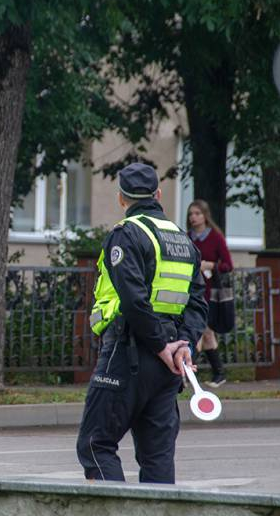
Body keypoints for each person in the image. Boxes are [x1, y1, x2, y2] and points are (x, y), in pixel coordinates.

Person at [76, 163, 208, 484]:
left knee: (95, 445)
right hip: (168, 367)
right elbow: (198, 303)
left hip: (127, 355)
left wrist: (163, 346)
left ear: (122, 199)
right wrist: (183, 345)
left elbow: (134, 300)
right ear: (158, 195)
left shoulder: (126, 235)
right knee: (157, 459)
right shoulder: (184, 241)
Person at [186, 199, 233, 388]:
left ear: (205, 216)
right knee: (205, 334)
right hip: (191, 290)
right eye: (191, 214)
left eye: (197, 213)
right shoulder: (187, 237)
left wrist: (212, 265)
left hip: (210, 292)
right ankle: (218, 373)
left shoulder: (215, 237)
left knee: (201, 333)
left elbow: (228, 265)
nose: (193, 217)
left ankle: (190, 374)